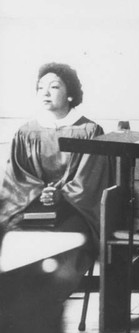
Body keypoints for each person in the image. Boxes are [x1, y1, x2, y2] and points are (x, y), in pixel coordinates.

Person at [0, 62, 113, 333]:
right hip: (30, 207)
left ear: (71, 93)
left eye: (54, 86)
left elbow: (90, 179)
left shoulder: (89, 131)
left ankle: (46, 311)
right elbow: (16, 178)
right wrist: (41, 192)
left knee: (59, 249)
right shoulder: (27, 132)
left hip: (75, 211)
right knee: (13, 241)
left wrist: (60, 194)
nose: (46, 93)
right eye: (41, 88)